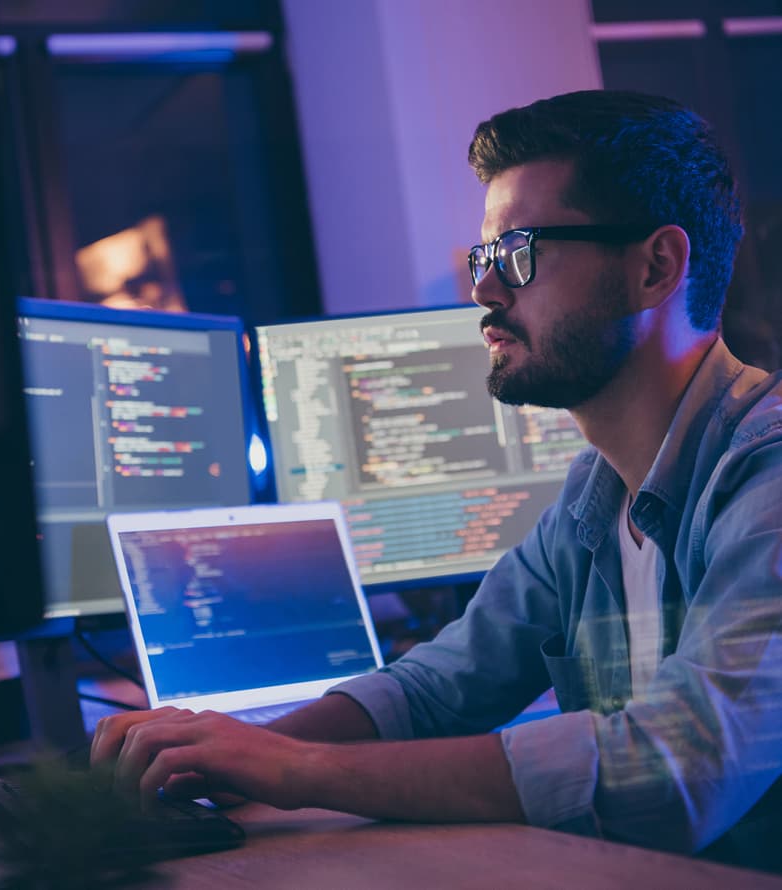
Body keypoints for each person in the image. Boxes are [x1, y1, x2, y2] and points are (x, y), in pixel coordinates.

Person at [90, 90, 782, 871]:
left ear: (656, 266)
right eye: (484, 259)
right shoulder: (595, 497)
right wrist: (228, 751)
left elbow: (675, 767)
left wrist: (294, 773)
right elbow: (438, 690)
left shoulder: (768, 471)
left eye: (518, 253)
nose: (484, 293)